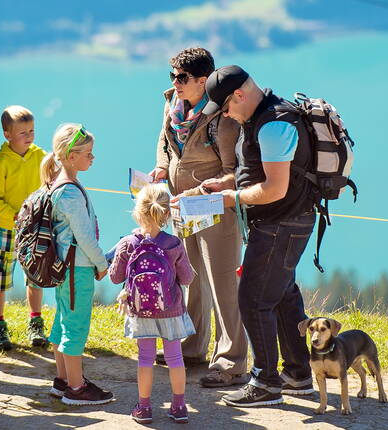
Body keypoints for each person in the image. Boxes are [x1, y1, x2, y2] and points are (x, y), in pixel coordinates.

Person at [202, 65, 316, 407]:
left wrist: (231, 198)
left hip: (282, 223)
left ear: (239, 95)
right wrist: (219, 185)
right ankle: (298, 374)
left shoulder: (276, 124)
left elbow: (274, 188)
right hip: (282, 222)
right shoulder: (258, 117)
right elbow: (253, 170)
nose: (225, 115)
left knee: (253, 299)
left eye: (225, 108)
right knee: (281, 295)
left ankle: (265, 382)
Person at [149, 47, 248, 387]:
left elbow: (233, 172)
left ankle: (231, 362)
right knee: (189, 276)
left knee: (223, 284)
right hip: (182, 207)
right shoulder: (173, 105)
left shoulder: (223, 117)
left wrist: (197, 193)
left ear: (203, 82)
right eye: (172, 76)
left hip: (214, 208)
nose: (174, 83)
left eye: (181, 78)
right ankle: (192, 348)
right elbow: (164, 141)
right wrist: (162, 166)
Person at [109, 184, 196, 424]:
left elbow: (115, 277)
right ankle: (179, 407)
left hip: (141, 312)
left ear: (138, 212)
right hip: (171, 310)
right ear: (167, 214)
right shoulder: (174, 243)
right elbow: (187, 278)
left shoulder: (128, 242)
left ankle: (144, 408)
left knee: (145, 358)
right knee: (175, 358)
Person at [42, 124, 113, 406]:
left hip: (64, 269)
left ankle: (62, 380)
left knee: (63, 321)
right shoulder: (70, 192)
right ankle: (76, 387)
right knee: (76, 327)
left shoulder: (60, 184)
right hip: (77, 270)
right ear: (71, 156)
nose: (92, 158)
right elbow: (83, 236)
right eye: (88, 153)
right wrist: (101, 263)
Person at [0, 105, 48, 350]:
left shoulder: (41, 157)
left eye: (31, 131)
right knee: (0, 278)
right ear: (7, 134)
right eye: (23, 133)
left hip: (35, 229)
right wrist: (14, 216)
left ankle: (35, 323)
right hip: (8, 230)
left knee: (35, 277)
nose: (29, 136)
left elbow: (50, 185)